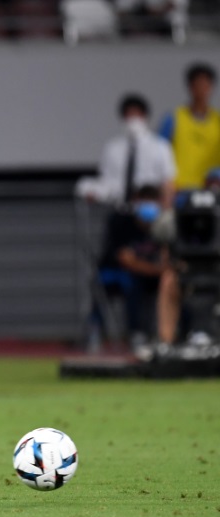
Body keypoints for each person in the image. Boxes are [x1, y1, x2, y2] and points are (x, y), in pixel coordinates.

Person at [98, 185, 179, 346]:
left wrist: (164, 271)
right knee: (133, 283)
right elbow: (126, 260)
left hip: (156, 274)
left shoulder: (164, 225)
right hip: (125, 272)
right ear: (136, 202)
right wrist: (158, 270)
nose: (149, 206)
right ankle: (137, 333)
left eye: (152, 201)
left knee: (175, 284)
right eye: (145, 201)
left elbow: (169, 257)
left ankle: (175, 335)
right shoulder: (122, 222)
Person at [90, 94, 176, 206]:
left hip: (150, 207)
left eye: (136, 115)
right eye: (129, 115)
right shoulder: (111, 148)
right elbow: (105, 180)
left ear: (145, 116)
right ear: (123, 118)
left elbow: (168, 181)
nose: (133, 119)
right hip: (118, 206)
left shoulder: (160, 146)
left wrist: (165, 207)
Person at [159, 63, 220, 191]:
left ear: (211, 87)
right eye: (198, 84)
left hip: (213, 190)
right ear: (190, 87)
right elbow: (157, 152)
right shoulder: (173, 118)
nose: (202, 90)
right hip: (179, 190)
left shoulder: (218, 121)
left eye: (205, 85)